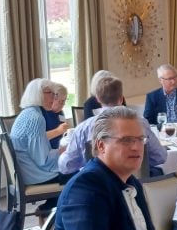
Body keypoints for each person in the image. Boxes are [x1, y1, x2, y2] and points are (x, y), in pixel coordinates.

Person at [59, 76, 167, 177]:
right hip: (133, 184)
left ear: (98, 99)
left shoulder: (83, 128)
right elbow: (160, 157)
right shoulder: (139, 123)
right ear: (121, 98)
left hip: (96, 187)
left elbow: (65, 167)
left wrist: (77, 160)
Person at [9, 78, 72, 220]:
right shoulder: (36, 118)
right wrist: (62, 151)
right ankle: (48, 212)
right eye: (51, 93)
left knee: (77, 172)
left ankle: (49, 212)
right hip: (35, 174)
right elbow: (43, 160)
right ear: (38, 94)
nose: (53, 98)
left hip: (26, 171)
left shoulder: (27, 113)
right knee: (81, 177)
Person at [43, 82, 70, 149]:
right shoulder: (42, 113)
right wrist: (58, 130)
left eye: (64, 101)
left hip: (62, 147)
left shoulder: (60, 112)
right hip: (48, 151)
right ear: (53, 98)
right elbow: (39, 138)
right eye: (60, 101)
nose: (63, 105)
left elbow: (64, 132)